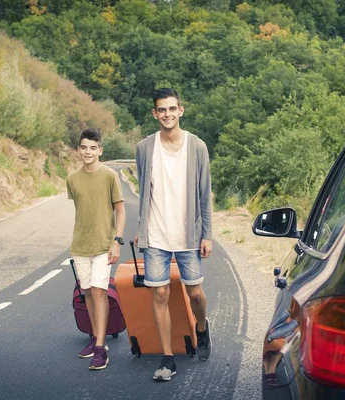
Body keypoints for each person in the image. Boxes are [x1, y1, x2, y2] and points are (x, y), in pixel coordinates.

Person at [134, 88, 213, 381]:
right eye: (161, 110)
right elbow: (145, 193)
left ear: (181, 110)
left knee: (195, 292)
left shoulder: (197, 147)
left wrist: (207, 234)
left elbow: (205, 194)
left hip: (188, 234)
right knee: (160, 294)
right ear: (155, 114)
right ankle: (167, 358)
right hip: (155, 234)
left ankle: (201, 328)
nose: (167, 114)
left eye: (172, 109)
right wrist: (141, 230)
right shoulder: (144, 148)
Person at [67, 128, 126, 371]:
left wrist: (117, 241)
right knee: (88, 293)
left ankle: (101, 348)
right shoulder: (72, 179)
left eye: (93, 147)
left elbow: (120, 210)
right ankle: (94, 337)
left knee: (100, 292)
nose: (88, 152)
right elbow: (81, 212)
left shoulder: (110, 176)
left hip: (104, 244)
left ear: (100, 150)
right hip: (80, 246)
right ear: (78, 150)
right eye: (84, 147)